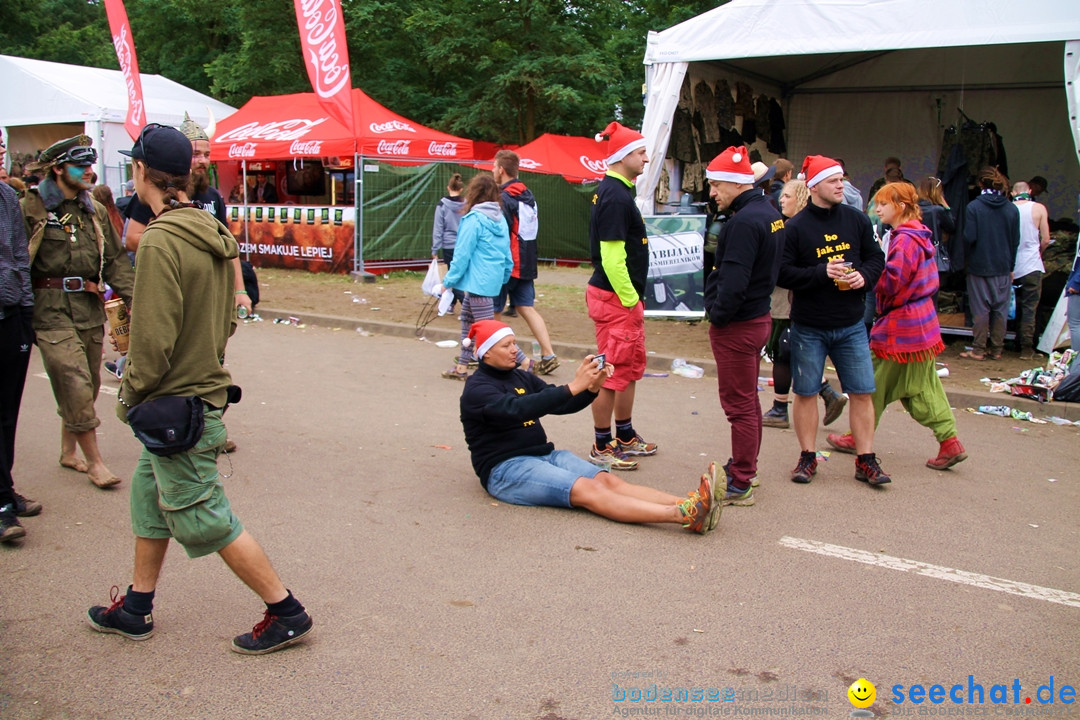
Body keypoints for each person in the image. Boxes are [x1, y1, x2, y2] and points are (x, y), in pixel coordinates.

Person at [87, 124, 312, 655]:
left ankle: (287, 611)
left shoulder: (164, 238)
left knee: (202, 515)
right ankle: (137, 608)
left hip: (173, 403)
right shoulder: (208, 231)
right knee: (150, 500)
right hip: (196, 391)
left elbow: (152, 339)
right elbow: (224, 321)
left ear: (140, 171)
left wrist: (129, 395)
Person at [458, 319, 721, 534]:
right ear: (486, 352)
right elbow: (516, 409)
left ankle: (691, 502)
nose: (515, 349)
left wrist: (591, 387)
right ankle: (682, 515)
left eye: (515, 342)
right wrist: (573, 385)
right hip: (505, 468)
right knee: (590, 489)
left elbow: (560, 404)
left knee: (609, 480)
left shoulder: (519, 375)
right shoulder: (477, 389)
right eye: (506, 345)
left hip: (544, 455)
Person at [826, 182, 968, 471]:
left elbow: (892, 281)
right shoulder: (919, 235)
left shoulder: (904, 240)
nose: (877, 209)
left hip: (902, 327)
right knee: (924, 386)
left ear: (901, 206)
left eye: (883, 204)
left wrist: (864, 274)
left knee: (872, 383)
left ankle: (858, 436)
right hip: (922, 324)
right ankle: (949, 441)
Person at [20, 135, 135, 489]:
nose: (89, 171)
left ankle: (68, 452)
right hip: (49, 309)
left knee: (88, 378)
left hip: (88, 307)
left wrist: (137, 300)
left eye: (91, 163)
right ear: (57, 169)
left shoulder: (94, 211)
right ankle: (95, 461)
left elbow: (115, 261)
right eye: (80, 165)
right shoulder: (30, 208)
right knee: (74, 382)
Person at [777, 155, 888, 486]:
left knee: (863, 392)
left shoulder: (855, 219)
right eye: (833, 180)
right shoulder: (795, 227)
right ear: (813, 186)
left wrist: (864, 278)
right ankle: (807, 457)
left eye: (841, 179)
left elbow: (875, 258)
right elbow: (782, 272)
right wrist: (821, 272)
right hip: (809, 326)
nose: (841, 185)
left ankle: (865, 460)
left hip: (851, 324)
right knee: (807, 392)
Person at [702, 147, 783, 506]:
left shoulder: (743, 222)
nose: (712, 192)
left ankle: (741, 480)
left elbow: (733, 282)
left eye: (717, 185)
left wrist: (717, 315)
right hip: (757, 317)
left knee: (739, 405)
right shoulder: (767, 212)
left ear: (736, 184)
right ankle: (745, 466)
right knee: (748, 402)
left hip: (738, 323)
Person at [586, 122, 656, 472]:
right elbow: (612, 258)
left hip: (621, 299)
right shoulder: (614, 195)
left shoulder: (619, 191)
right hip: (617, 299)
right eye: (641, 152)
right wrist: (630, 299)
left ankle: (625, 435)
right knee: (611, 374)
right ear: (623, 156)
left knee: (626, 370)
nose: (647, 158)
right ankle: (602, 444)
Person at [762, 179, 848, 430]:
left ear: (801, 197)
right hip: (791, 300)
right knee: (789, 351)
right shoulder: (802, 226)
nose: (781, 200)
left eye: (787, 196)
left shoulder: (794, 228)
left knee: (784, 350)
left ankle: (784, 407)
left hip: (790, 302)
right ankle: (822, 394)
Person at [438, 174, 513, 380]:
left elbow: (462, 255)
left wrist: (448, 282)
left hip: (477, 282)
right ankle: (462, 367)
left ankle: (522, 362)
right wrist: (503, 276)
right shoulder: (500, 219)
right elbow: (507, 254)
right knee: (467, 324)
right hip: (491, 281)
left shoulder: (473, 219)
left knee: (489, 331)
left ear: (474, 193)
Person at [492, 150, 559, 375]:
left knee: (495, 311)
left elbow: (500, 233)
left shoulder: (503, 198)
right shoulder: (528, 195)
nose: (492, 171)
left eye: (494, 167)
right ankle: (548, 354)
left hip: (508, 264)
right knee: (526, 307)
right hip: (528, 261)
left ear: (501, 170)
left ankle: (497, 356)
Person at [1, 180, 41, 542]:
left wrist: (26, 310)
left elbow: (19, 257)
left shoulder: (7, 197)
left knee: (7, 412)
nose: (1, 151)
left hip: (11, 315)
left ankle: (5, 488)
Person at [959, 167, 1019, 361]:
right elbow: (1015, 240)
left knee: (981, 309)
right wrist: (1011, 266)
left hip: (980, 264)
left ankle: (978, 349)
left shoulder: (974, 207)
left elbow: (969, 236)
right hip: (1003, 265)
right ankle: (997, 349)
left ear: (980, 184)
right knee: (1000, 310)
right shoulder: (1011, 208)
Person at [1011, 181, 1051, 360]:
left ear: (1013, 193)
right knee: (1030, 307)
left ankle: (1008, 341)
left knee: (1011, 305)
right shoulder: (1039, 208)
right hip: (1032, 264)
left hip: (1011, 264)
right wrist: (1039, 253)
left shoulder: (1008, 208)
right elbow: (1046, 239)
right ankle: (1027, 348)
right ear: (1029, 191)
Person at [432, 172, 465, 312]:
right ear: (461, 189)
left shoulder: (442, 205)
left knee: (452, 274)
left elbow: (438, 228)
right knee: (460, 274)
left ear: (448, 187)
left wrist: (435, 249)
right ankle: (451, 304)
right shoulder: (466, 204)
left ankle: (464, 305)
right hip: (463, 244)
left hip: (449, 245)